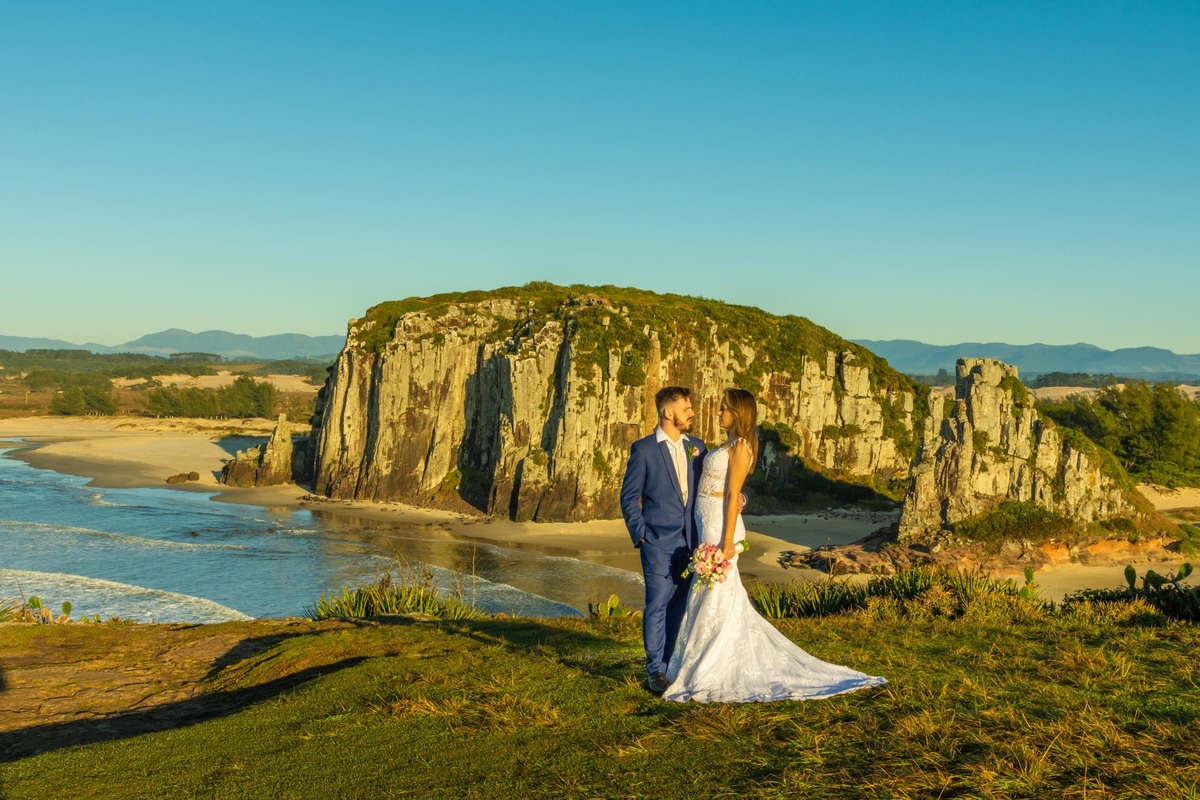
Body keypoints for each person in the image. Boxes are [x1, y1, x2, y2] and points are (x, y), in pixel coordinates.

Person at [662, 387, 886, 703]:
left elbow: (731, 494)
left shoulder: (740, 447)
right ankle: (696, 662)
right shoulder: (728, 444)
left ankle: (708, 667)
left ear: (738, 413)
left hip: (719, 526)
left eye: (724, 407)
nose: (719, 411)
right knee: (710, 592)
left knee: (713, 592)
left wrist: (726, 541)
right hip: (707, 522)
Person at [620, 385, 707, 695]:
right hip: (657, 542)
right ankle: (655, 669)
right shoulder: (643, 450)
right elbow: (629, 498)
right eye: (687, 409)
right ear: (668, 412)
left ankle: (670, 662)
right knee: (657, 603)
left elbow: (712, 489)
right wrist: (642, 536)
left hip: (692, 543)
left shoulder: (697, 446)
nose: (692, 413)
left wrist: (743, 499)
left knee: (680, 606)